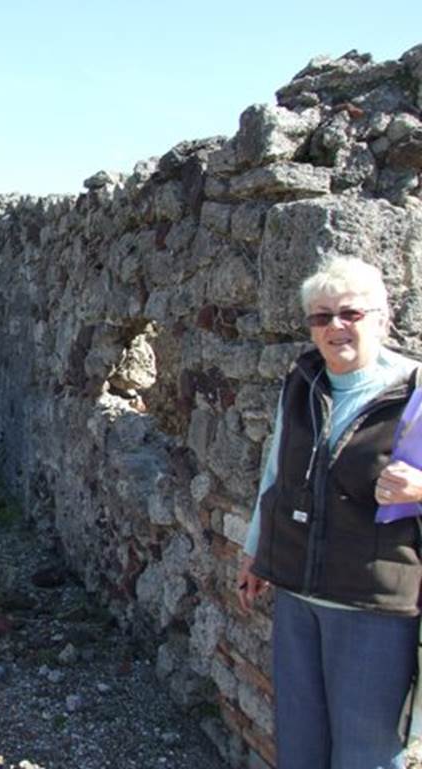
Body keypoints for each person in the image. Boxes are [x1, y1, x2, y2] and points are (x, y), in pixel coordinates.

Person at [237, 256, 422, 769]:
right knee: (301, 744)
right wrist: (256, 550)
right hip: (298, 591)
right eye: (321, 317)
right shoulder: (303, 382)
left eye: (350, 314)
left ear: (382, 318)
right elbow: (275, 471)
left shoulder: (416, 392)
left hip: (373, 606)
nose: (335, 327)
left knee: (365, 753)